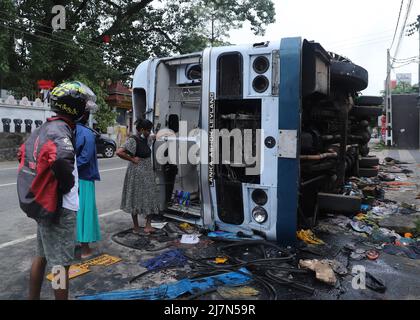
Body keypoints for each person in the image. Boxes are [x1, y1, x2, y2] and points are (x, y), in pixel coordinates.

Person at [17, 81, 97, 300]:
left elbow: (21, 153)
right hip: (60, 208)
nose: (86, 110)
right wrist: (67, 185)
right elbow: (62, 159)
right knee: (61, 264)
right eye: (83, 106)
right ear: (75, 108)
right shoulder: (61, 130)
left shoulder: (44, 127)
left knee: (41, 256)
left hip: (43, 204)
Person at [117, 119, 160, 234]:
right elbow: (119, 152)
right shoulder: (133, 140)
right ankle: (136, 227)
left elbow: (153, 136)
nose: (149, 132)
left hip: (147, 172)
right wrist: (132, 159)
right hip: (136, 173)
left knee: (150, 197)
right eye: (147, 130)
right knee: (135, 198)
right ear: (141, 130)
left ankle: (148, 226)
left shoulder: (147, 139)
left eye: (150, 130)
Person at [76, 111, 101, 259]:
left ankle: (77, 243)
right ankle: (85, 249)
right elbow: (85, 158)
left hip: (71, 177)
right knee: (84, 212)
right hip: (84, 177)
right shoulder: (86, 133)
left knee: (73, 211)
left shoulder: (68, 129)